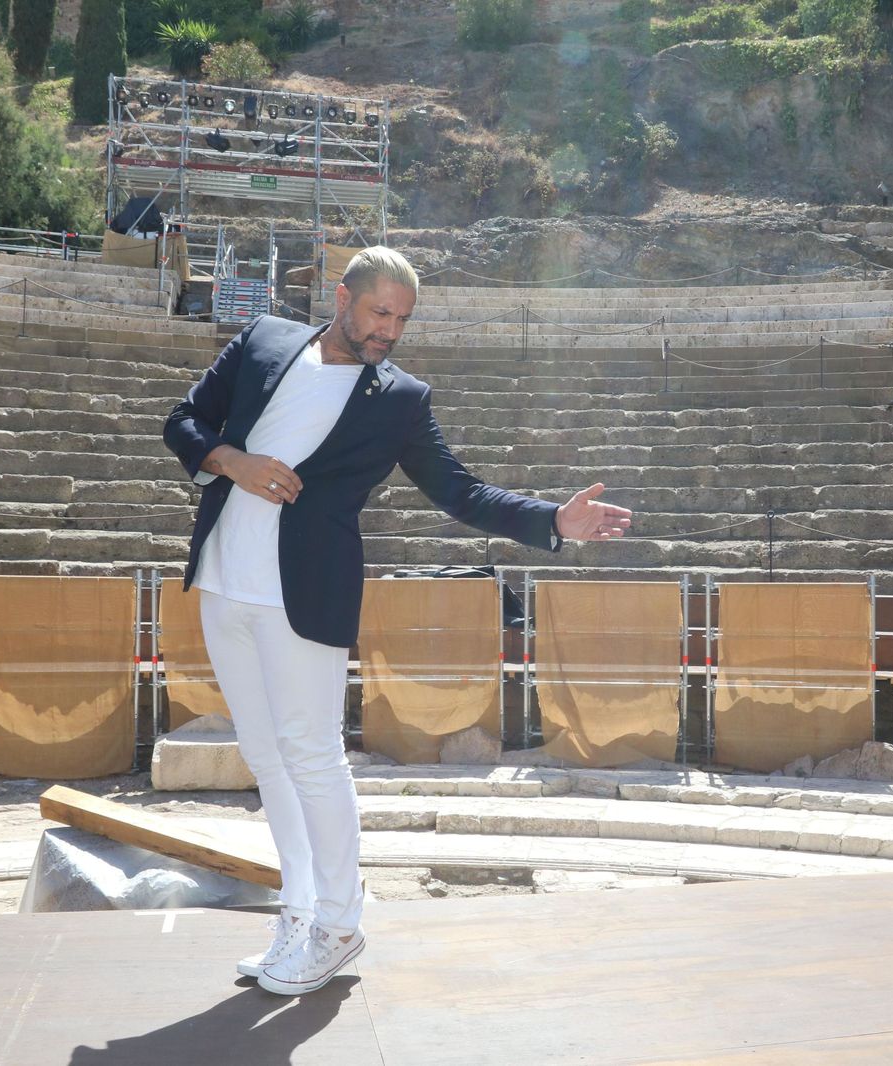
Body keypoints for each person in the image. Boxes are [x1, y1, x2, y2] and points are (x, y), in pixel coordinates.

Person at [162, 247, 633, 997]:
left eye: (402, 320)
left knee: (312, 755)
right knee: (266, 754)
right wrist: (231, 461)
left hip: (304, 593)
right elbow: (182, 419)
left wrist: (555, 522)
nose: (389, 331)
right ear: (343, 296)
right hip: (225, 582)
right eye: (380, 312)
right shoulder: (263, 342)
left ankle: (340, 925)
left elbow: (461, 491)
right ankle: (299, 910)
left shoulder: (400, 399)